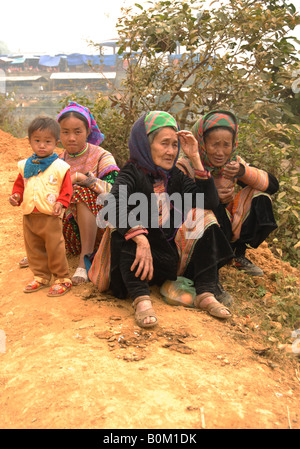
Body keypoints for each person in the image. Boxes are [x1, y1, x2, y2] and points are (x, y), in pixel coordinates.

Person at [89, 111, 235, 328]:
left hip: (164, 259)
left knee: (205, 217)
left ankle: (205, 291)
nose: (170, 151)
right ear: (146, 145)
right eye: (164, 144)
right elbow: (111, 205)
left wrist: (195, 157)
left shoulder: (173, 175)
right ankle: (141, 299)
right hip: (134, 262)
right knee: (128, 224)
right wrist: (140, 238)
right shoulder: (131, 172)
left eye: (174, 145)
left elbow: (209, 201)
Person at [177, 110, 279, 276]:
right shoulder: (186, 166)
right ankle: (208, 266)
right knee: (208, 209)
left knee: (260, 194)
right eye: (214, 144)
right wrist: (213, 195)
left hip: (228, 227)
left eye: (226, 145)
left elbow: (272, 185)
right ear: (202, 142)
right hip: (200, 230)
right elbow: (178, 202)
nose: (220, 152)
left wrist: (242, 172)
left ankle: (237, 254)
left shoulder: (232, 164)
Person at [56, 101, 119, 285]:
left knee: (82, 193)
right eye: (65, 132)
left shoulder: (101, 155)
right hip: (68, 231)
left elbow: (115, 190)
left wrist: (81, 179)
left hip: (101, 228)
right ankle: (43, 249)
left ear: (88, 131)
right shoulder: (57, 161)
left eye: (77, 131)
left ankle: (85, 260)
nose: (71, 138)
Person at [9, 116, 73, 296]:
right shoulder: (24, 166)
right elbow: (20, 185)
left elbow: (67, 189)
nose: (42, 145)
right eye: (37, 141)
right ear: (29, 141)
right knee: (33, 248)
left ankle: (62, 278)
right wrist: (16, 196)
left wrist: (61, 203)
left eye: (47, 141)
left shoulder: (60, 167)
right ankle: (41, 276)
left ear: (56, 143)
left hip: (50, 215)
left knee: (55, 247)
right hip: (30, 214)